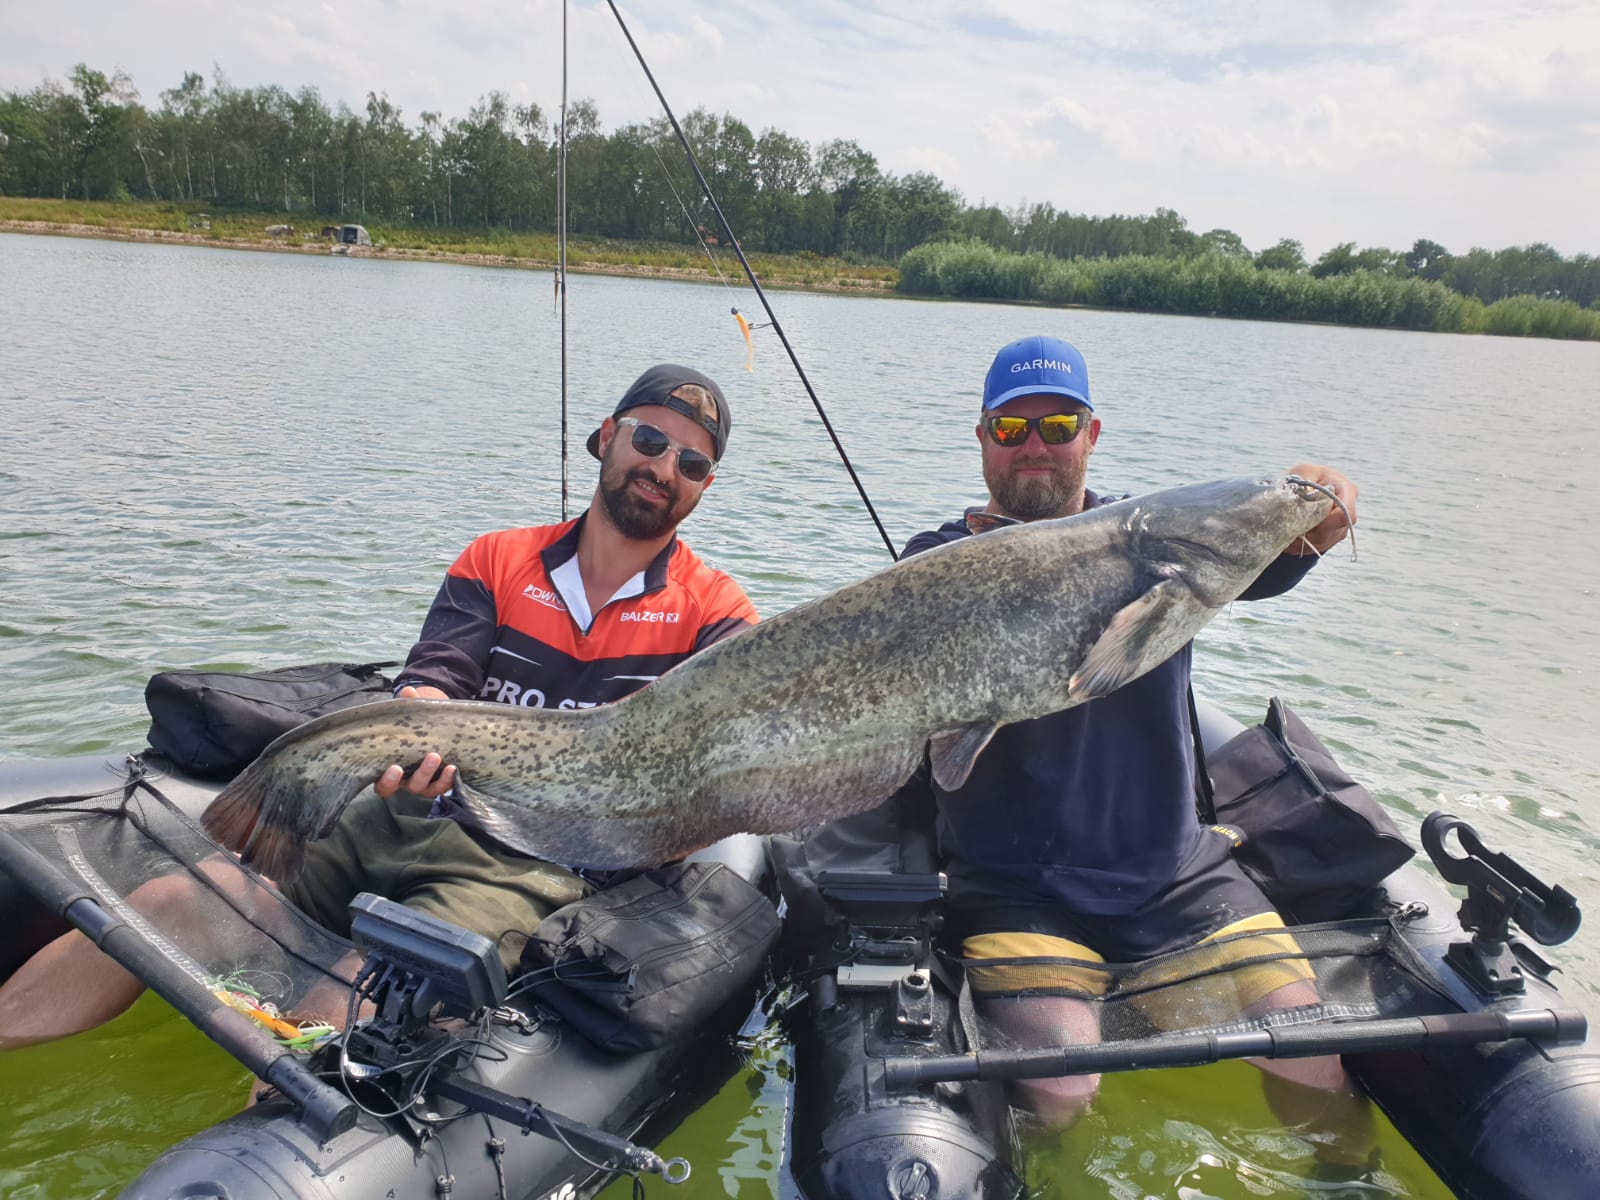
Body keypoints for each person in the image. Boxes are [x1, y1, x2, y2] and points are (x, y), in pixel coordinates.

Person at [0, 363, 758, 1050]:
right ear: (606, 438)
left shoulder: (718, 615)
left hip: (534, 865)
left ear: (703, 487)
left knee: (353, 994)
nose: (663, 468)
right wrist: (411, 730)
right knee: (172, 899)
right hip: (402, 813)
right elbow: (435, 678)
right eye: (650, 439)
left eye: (690, 462)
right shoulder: (496, 558)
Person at [895, 334, 1365, 1142]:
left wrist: (1323, 493)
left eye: (1058, 425)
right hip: (1018, 887)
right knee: (1063, 1088)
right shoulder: (935, 561)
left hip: (1176, 873)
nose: (1035, 446)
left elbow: (1288, 541)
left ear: (1092, 434)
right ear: (981, 440)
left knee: (1314, 1064)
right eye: (1012, 429)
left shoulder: (1165, 545)